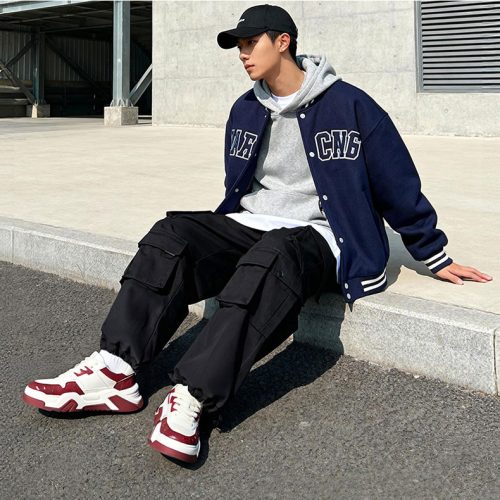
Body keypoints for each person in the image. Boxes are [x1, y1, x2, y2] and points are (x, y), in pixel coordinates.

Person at [22, 4, 492, 464]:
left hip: (324, 237)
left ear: (283, 42)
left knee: (275, 253)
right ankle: (116, 369)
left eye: (251, 43)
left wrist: (434, 254)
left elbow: (398, 183)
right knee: (173, 232)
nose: (243, 54)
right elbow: (241, 187)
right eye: (239, 46)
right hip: (256, 224)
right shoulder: (246, 109)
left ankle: (193, 395)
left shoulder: (350, 105)